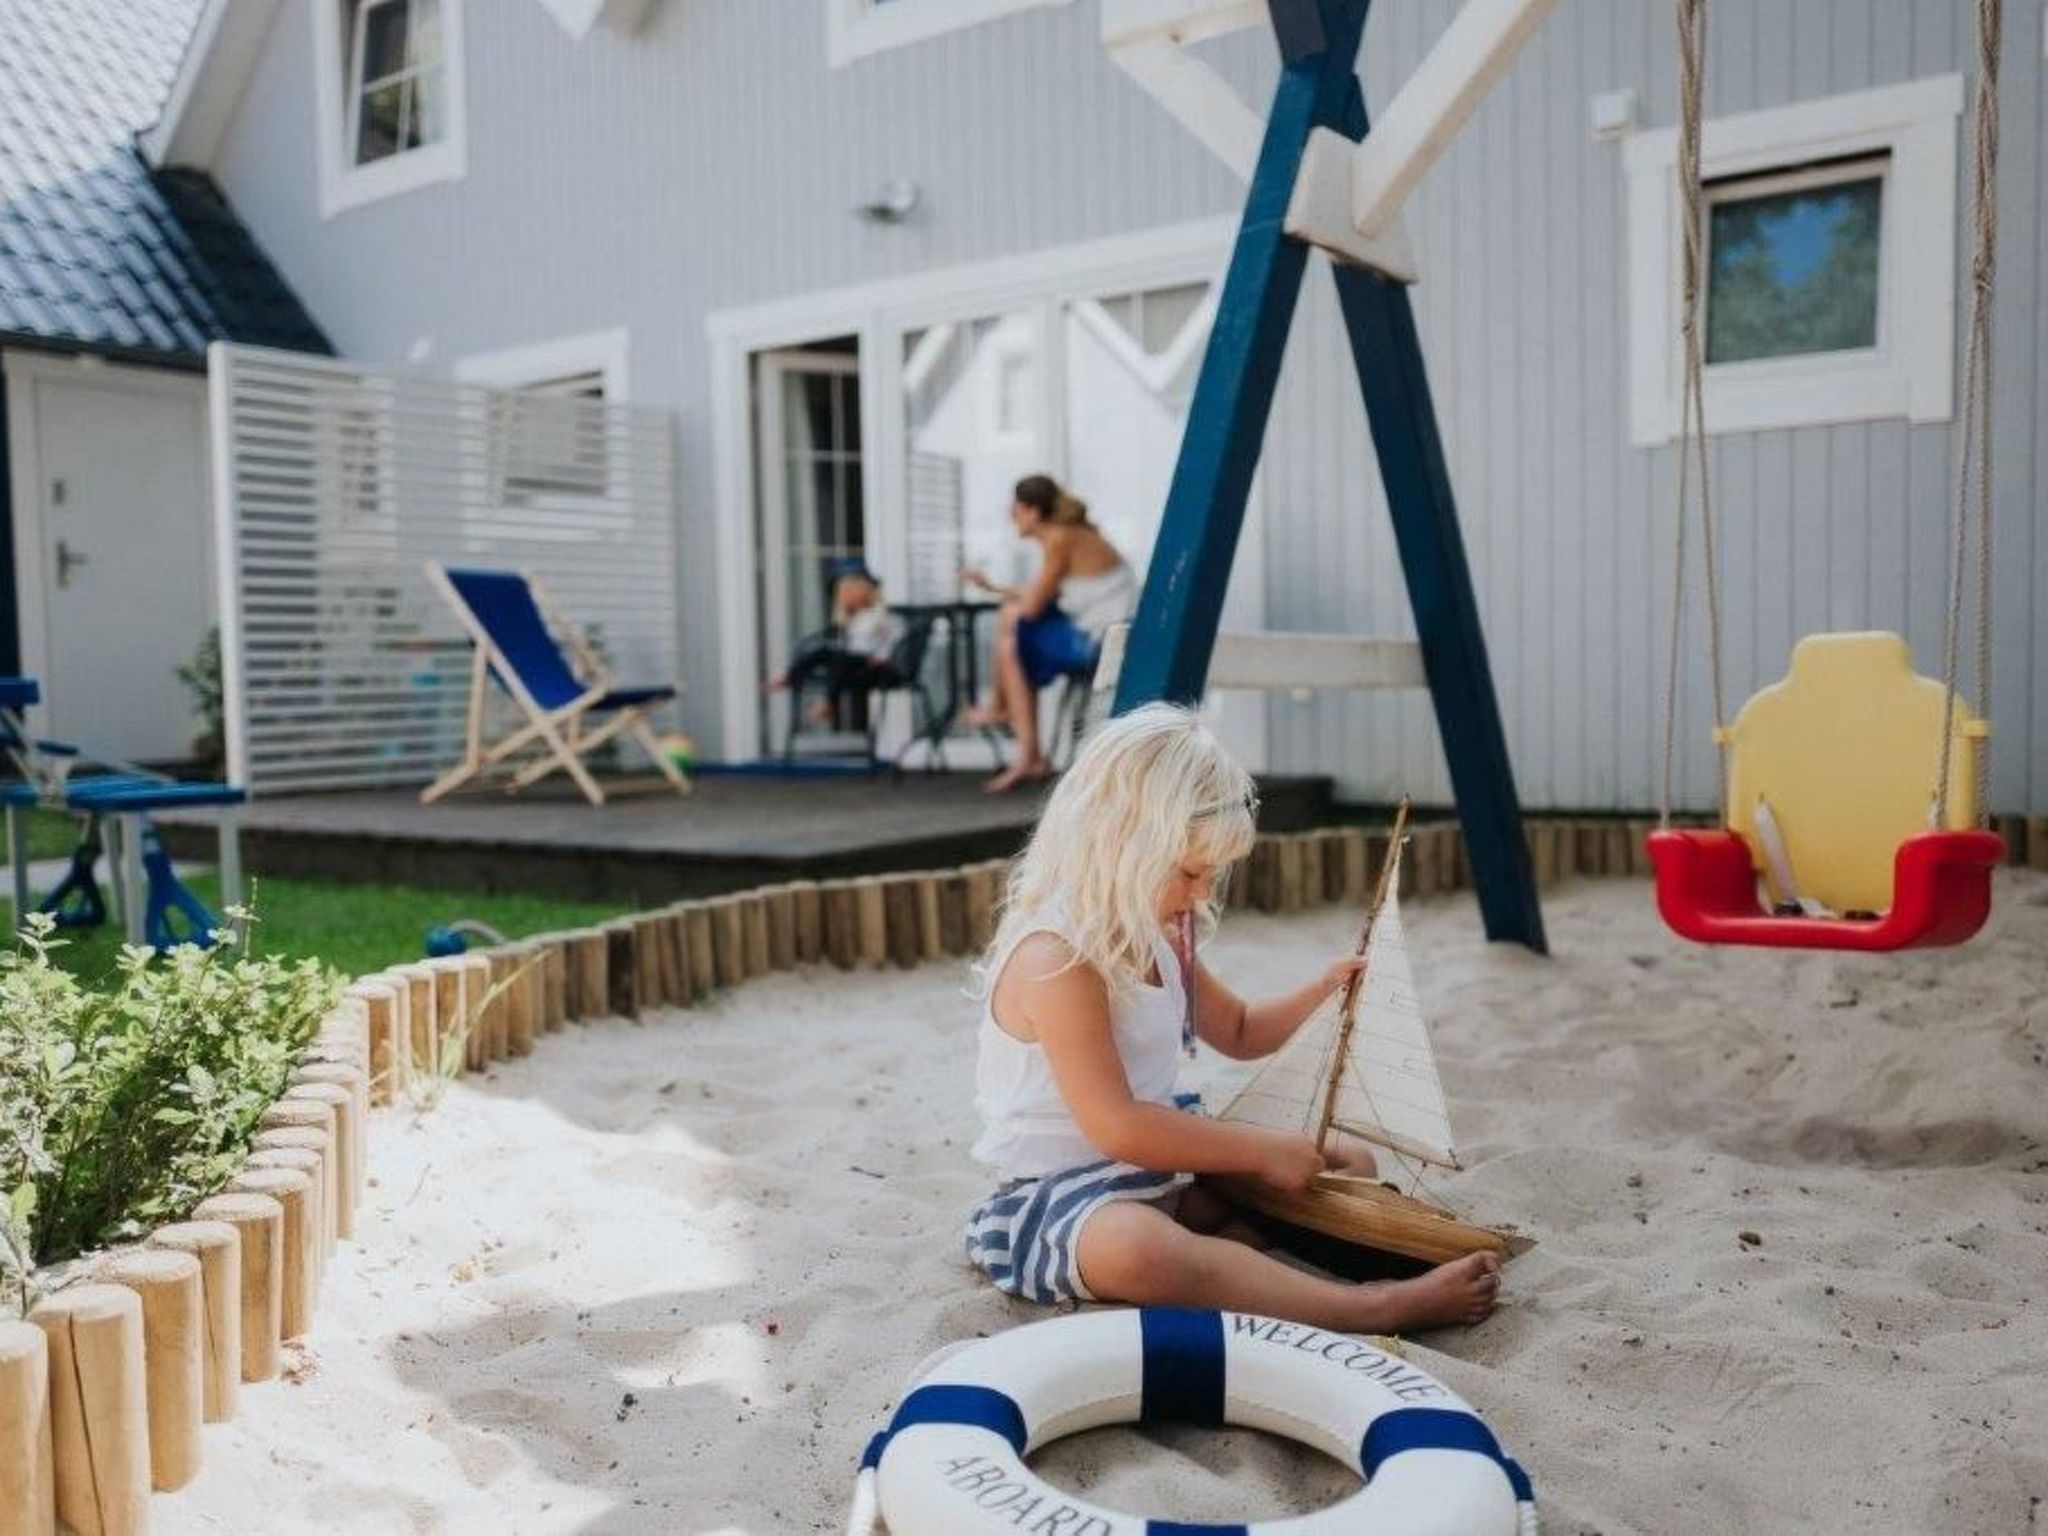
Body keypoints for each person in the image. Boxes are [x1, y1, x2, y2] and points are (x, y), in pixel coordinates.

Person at [962, 703, 1501, 1332]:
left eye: (1209, 877)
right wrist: (1258, 1150)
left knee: (1349, 1162)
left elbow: (1241, 1031)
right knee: (1140, 1251)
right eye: (1189, 873)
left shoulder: (1162, 933)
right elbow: (1118, 1126)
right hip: (1066, 1195)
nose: (1198, 895)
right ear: (1118, 846)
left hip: (1159, 1170)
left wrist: (1324, 991)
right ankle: (1366, 1307)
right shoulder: (1059, 960)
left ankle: (1236, 1261)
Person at [962, 474, 1136, 793]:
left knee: (1013, 627)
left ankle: (1019, 740)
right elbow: (1044, 595)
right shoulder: (1073, 536)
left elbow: (1031, 607)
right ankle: (1014, 730)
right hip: (1104, 635)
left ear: (1031, 511)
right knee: (1011, 626)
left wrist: (1001, 593)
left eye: (1014, 510)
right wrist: (993, 588)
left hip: (1101, 643)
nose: (1011, 517)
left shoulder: (1060, 539)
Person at [766, 561, 906, 728]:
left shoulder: (881, 617)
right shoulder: (848, 622)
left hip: (879, 669)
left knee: (839, 655)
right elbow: (844, 646)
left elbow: (897, 638)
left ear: (865, 591)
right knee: (824, 651)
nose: (843, 596)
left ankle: (828, 703)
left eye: (848, 591)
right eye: (841, 592)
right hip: (850, 667)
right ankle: (791, 676)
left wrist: (883, 655)